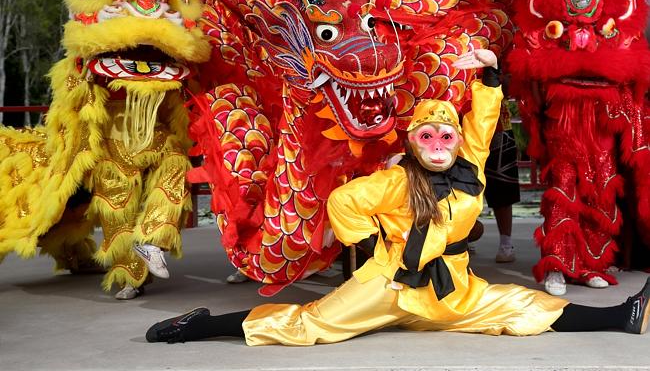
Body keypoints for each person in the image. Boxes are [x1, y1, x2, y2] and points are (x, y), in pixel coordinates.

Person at [145, 50, 650, 345]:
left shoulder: (469, 164)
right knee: (308, 325)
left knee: (522, 307)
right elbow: (343, 201)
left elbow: (483, 121)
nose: (437, 146)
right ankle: (201, 326)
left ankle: (618, 317)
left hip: (452, 291)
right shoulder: (394, 180)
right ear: (412, 143)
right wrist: (377, 244)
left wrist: (490, 76)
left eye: (445, 138)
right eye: (426, 138)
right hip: (386, 285)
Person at [484, 99, 520, 263]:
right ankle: (460, 239)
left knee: (502, 185)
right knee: (459, 187)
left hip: (497, 125)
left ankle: (506, 243)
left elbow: (507, 84)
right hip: (462, 121)